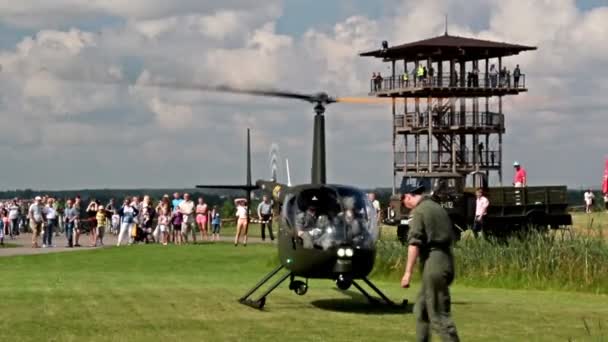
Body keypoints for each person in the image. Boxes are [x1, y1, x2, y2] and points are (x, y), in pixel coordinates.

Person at [400, 182, 460, 342]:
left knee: (439, 316)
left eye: (403, 199)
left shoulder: (419, 211)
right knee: (422, 309)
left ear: (408, 195)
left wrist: (407, 273)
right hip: (446, 259)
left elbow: (414, 243)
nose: (404, 203)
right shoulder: (437, 208)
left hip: (434, 263)